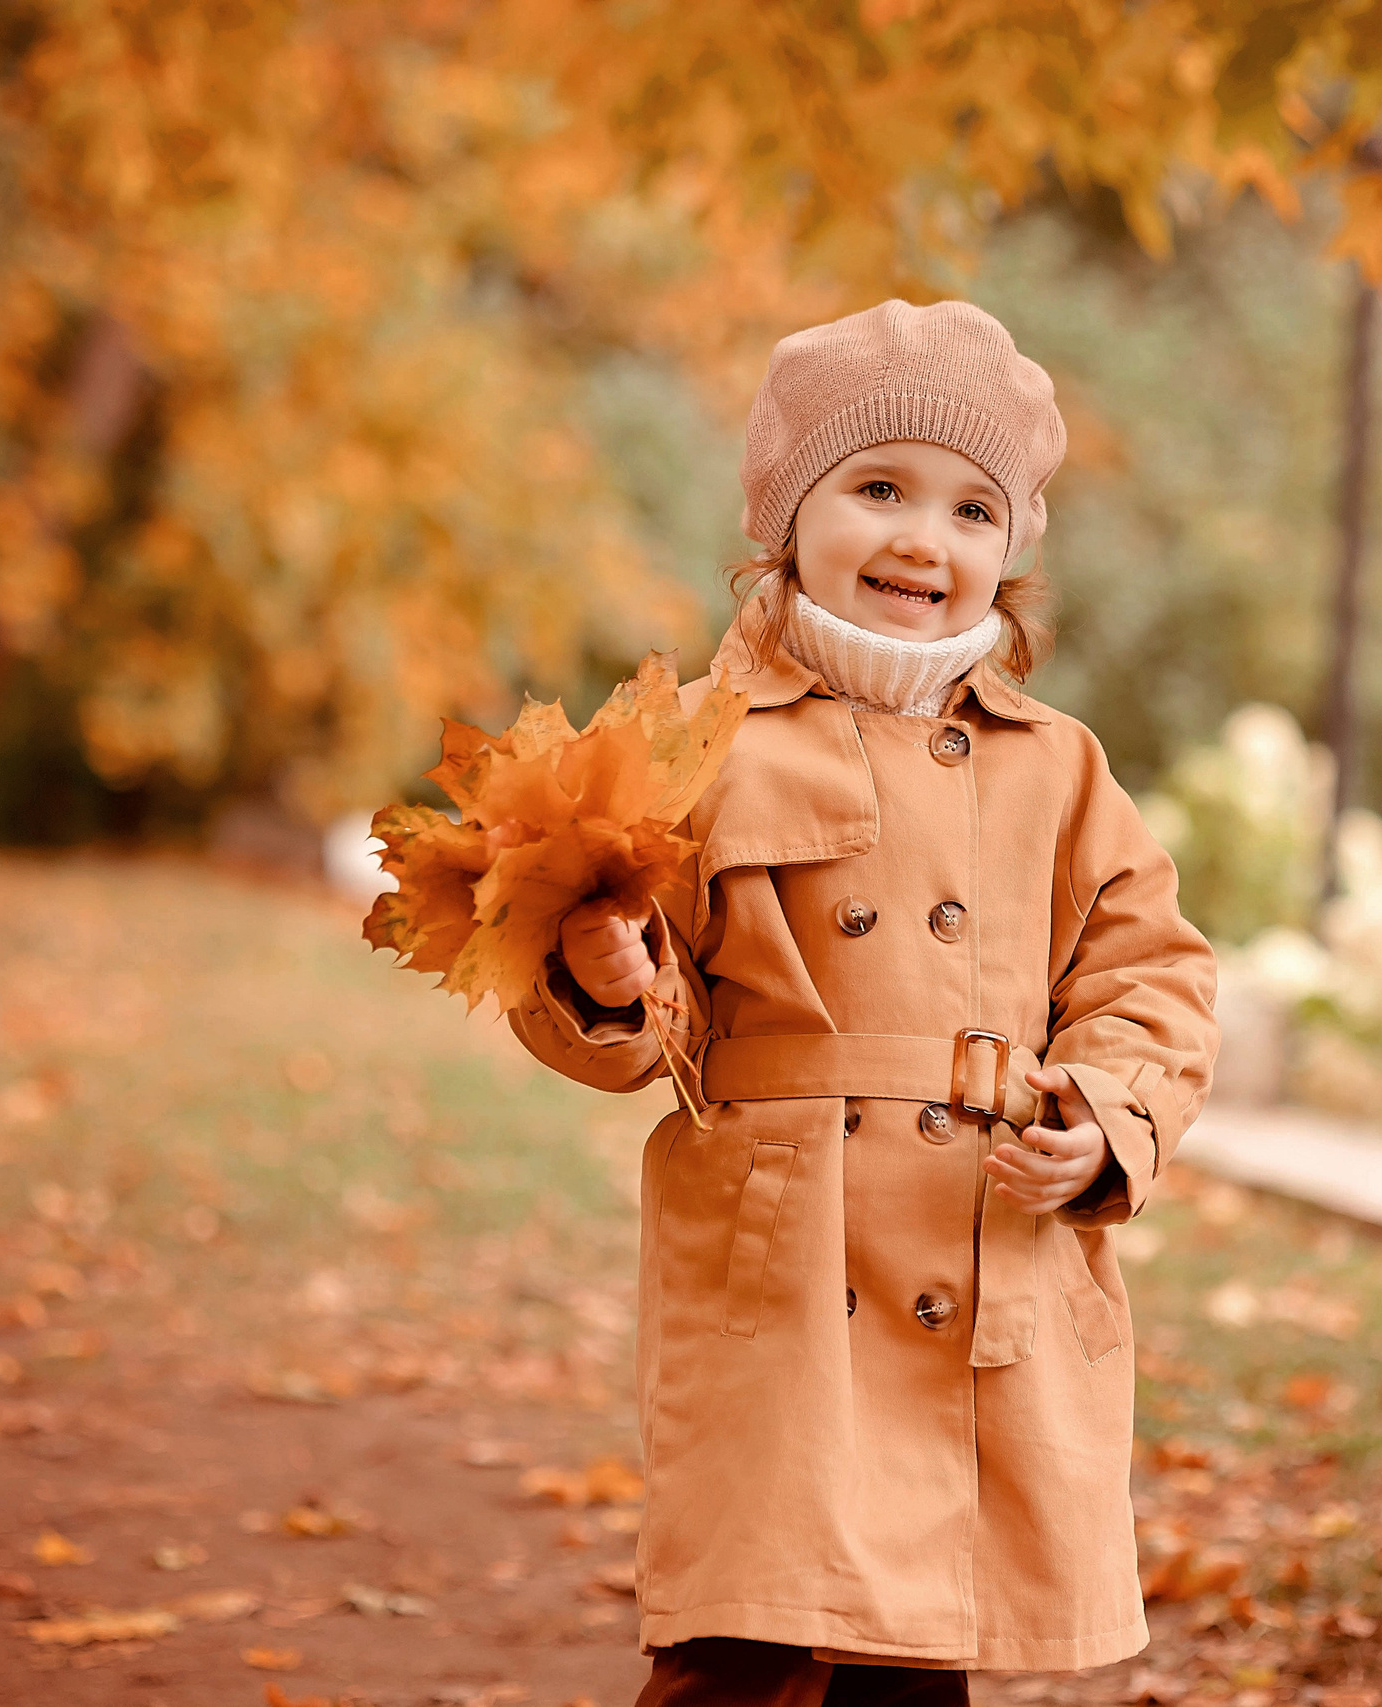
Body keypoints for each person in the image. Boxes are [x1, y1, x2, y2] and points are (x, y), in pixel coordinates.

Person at [506, 298, 1220, 1706]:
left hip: (979, 1236)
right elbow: (640, 998)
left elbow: (1148, 972)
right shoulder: (695, 747)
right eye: (878, 488)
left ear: (1010, 550)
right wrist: (605, 980)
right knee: (746, 1640)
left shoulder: (1056, 767)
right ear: (789, 517)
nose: (922, 538)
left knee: (914, 1647)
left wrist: (1102, 1115)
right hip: (785, 1259)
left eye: (970, 509)